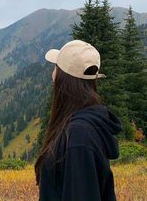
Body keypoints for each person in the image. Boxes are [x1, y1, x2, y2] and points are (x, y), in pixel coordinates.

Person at [34, 39, 123, 201]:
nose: (52, 75)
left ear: (63, 79)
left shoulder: (79, 136)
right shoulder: (82, 127)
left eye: (56, 68)